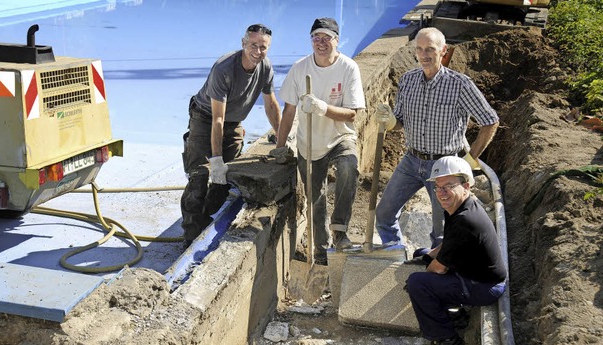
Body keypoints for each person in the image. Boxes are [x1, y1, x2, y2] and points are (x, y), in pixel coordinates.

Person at [375, 27, 499, 249]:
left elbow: (490, 120)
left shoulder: (460, 85)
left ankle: (438, 267)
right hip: (412, 160)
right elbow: (401, 119)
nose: (424, 55)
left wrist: (472, 158)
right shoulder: (407, 81)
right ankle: (394, 252)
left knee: (441, 229)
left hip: (444, 165)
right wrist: (391, 121)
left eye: (430, 49)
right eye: (420, 49)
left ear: (443, 51)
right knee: (384, 213)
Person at [272, 17, 365, 265]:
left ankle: (340, 231)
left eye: (327, 38)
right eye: (316, 38)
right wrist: (280, 147)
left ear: (337, 40)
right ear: (311, 40)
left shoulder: (348, 67)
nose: (321, 43)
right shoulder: (300, 69)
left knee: (348, 167)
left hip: (339, 136)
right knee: (316, 197)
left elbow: (353, 114)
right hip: (309, 142)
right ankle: (322, 252)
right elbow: (289, 111)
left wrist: (323, 108)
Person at [181, 24, 281, 247]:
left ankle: (206, 219)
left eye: (263, 47)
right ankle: (190, 236)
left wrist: (282, 140)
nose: (257, 51)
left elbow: (272, 105)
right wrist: (215, 160)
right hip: (206, 117)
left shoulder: (265, 67)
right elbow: (217, 119)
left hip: (233, 121)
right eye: (253, 45)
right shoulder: (224, 68)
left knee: (228, 174)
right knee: (200, 175)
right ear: (243, 43)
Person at [406, 156, 507, 345]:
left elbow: (438, 269)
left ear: (466, 186)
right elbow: (447, 245)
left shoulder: (465, 220)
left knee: (417, 283)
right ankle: (454, 314)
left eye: (449, 186)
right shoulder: (460, 206)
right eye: (438, 187)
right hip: (475, 273)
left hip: (484, 286)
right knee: (421, 253)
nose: (442, 193)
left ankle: (446, 338)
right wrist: (427, 256)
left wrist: (422, 281)